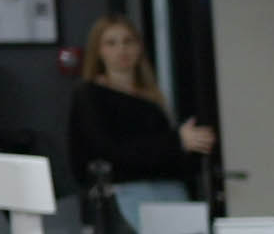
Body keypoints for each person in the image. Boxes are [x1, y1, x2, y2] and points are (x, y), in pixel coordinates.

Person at [62, 14, 213, 206]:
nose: (122, 49)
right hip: (126, 191)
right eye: (111, 43)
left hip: (169, 188)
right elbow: (108, 149)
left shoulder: (151, 97)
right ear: (98, 50)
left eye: (128, 41)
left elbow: (161, 154)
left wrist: (189, 145)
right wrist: (177, 141)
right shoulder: (90, 94)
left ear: (139, 47)